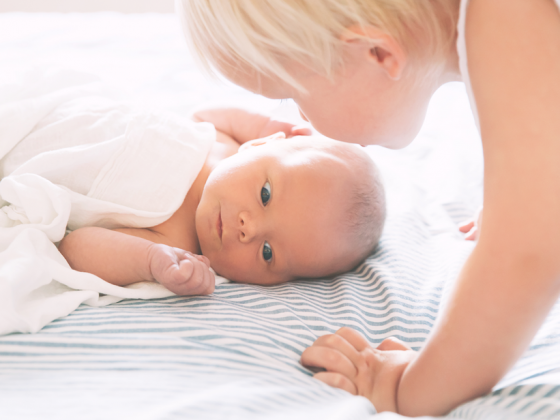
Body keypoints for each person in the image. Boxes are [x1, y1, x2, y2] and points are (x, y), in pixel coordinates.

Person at [177, 0, 560, 416]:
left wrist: (409, 390)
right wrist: (524, 190)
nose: (301, 121)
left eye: (292, 98)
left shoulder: (504, 16)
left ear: (377, 53)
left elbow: (527, 255)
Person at [59, 107, 386, 295]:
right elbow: (203, 113)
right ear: (259, 144)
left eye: (267, 252)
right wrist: (262, 124)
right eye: (265, 195)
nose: (249, 228)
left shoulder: (175, 241)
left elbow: (74, 249)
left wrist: (150, 260)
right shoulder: (221, 141)